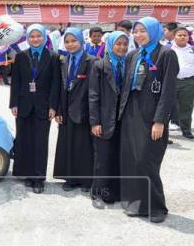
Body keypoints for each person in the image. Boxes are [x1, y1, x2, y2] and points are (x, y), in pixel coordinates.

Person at [118, 17, 178, 223]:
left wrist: (160, 120)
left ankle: (157, 207)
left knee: (147, 161)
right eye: (136, 31)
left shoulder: (166, 54)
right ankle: (136, 203)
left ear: (153, 31)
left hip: (152, 115)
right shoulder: (133, 55)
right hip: (131, 111)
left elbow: (169, 91)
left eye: (143, 31)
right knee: (132, 160)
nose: (138, 35)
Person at [10, 24, 60, 194]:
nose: (35, 39)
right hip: (23, 106)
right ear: (27, 38)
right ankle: (27, 175)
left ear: (44, 37)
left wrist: (53, 106)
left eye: (39, 36)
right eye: (32, 36)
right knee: (24, 140)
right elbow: (15, 82)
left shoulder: (52, 57)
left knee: (40, 143)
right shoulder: (21, 56)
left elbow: (56, 84)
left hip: (43, 107)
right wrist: (13, 103)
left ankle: (39, 178)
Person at [89, 31, 129, 209]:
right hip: (104, 120)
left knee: (118, 157)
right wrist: (95, 122)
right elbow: (93, 95)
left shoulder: (129, 64)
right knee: (102, 159)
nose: (121, 47)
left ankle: (113, 192)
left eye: (125, 44)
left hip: (123, 120)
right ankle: (96, 193)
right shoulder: (100, 65)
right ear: (110, 45)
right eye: (118, 44)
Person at [53, 28, 96, 193]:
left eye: (74, 41)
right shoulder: (63, 60)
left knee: (84, 146)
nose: (70, 44)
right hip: (65, 109)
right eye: (67, 41)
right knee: (68, 144)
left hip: (84, 110)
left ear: (81, 41)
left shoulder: (92, 61)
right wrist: (58, 110)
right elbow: (60, 87)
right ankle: (70, 179)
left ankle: (86, 180)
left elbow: (94, 89)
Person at [171, 27, 194, 139]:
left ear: (188, 37)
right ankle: (165, 133)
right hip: (171, 82)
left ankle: (186, 130)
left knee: (187, 106)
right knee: (168, 106)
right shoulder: (168, 49)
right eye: (179, 35)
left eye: (185, 35)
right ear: (174, 37)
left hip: (188, 82)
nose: (182, 37)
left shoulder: (192, 49)